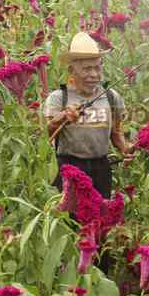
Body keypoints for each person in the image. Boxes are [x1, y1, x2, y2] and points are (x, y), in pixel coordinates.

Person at [43, 32, 135, 199]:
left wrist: (125, 148)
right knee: (71, 220)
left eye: (97, 67)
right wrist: (64, 117)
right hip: (69, 168)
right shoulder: (58, 98)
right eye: (86, 69)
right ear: (72, 70)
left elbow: (116, 133)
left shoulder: (110, 96)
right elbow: (46, 134)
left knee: (100, 219)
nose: (93, 74)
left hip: (101, 168)